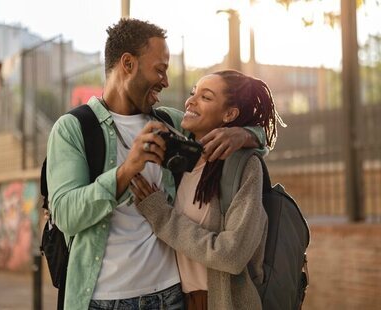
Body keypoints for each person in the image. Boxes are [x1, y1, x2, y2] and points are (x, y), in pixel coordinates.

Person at [47, 18, 265, 310]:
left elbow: (230, 122)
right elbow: (66, 215)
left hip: (170, 296)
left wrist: (246, 133)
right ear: (128, 63)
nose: (166, 81)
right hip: (102, 299)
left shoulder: (170, 123)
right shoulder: (73, 129)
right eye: (159, 69)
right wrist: (127, 170)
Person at [131, 70, 285, 310]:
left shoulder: (243, 166)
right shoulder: (180, 154)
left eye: (206, 97)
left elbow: (232, 256)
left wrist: (161, 216)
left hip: (222, 302)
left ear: (230, 114)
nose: (190, 101)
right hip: (176, 301)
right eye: (193, 93)